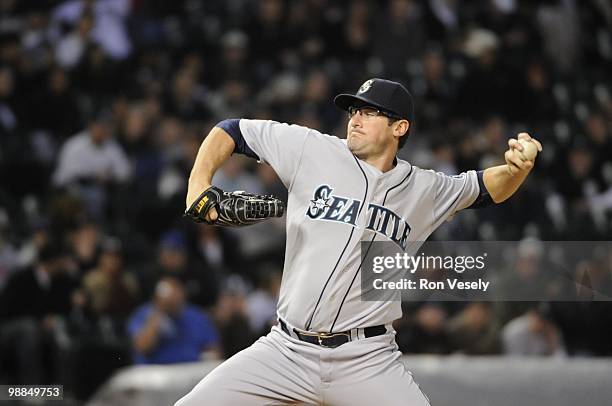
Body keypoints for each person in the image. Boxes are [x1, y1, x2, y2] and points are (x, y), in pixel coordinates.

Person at [177, 78, 542, 405]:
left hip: (366, 358)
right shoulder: (312, 149)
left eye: (370, 112)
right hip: (286, 350)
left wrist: (515, 171)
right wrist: (198, 184)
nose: (356, 118)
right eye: (354, 110)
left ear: (400, 127)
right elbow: (231, 130)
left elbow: (484, 188)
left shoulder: (425, 188)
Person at [127, 276, 219, 364]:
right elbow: (142, 347)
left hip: (191, 369)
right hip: (157, 372)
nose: (175, 300)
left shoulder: (196, 315)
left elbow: (214, 349)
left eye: (178, 293)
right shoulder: (143, 314)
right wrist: (159, 312)